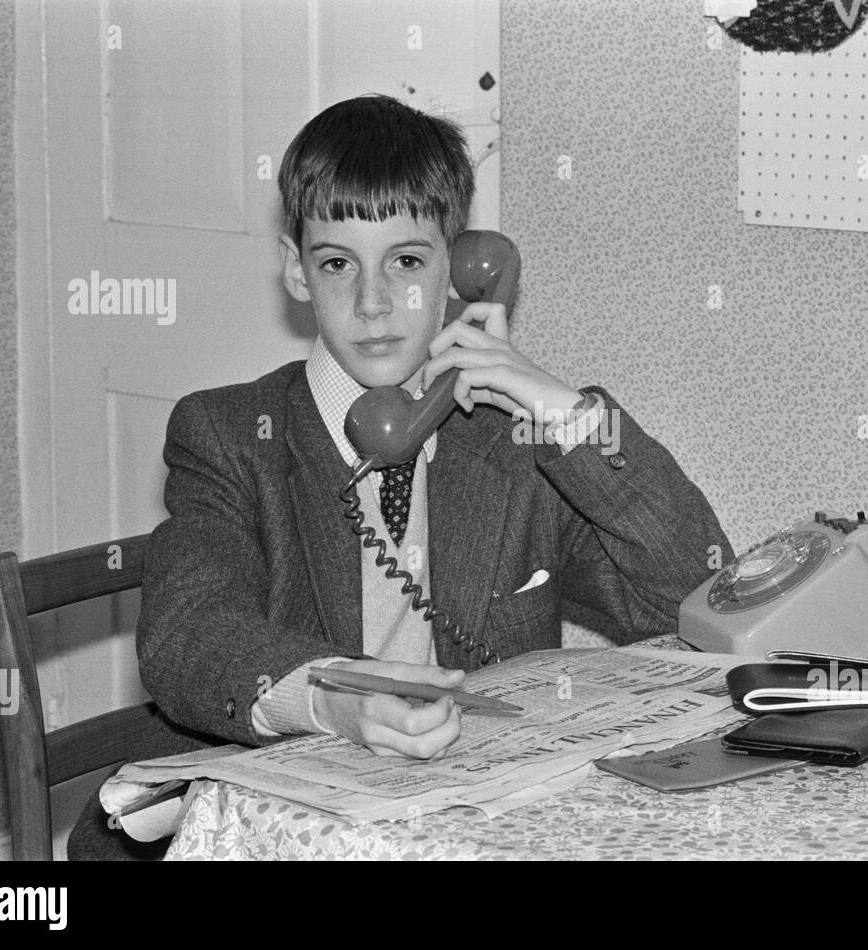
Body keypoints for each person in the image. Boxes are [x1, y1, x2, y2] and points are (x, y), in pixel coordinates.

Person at [68, 94, 730, 858]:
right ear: (294, 269)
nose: (374, 303)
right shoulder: (227, 435)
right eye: (338, 263)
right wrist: (334, 698)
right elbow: (189, 637)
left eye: (409, 261)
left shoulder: (514, 442)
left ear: (464, 264)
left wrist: (564, 412)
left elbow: (692, 599)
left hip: (466, 825)